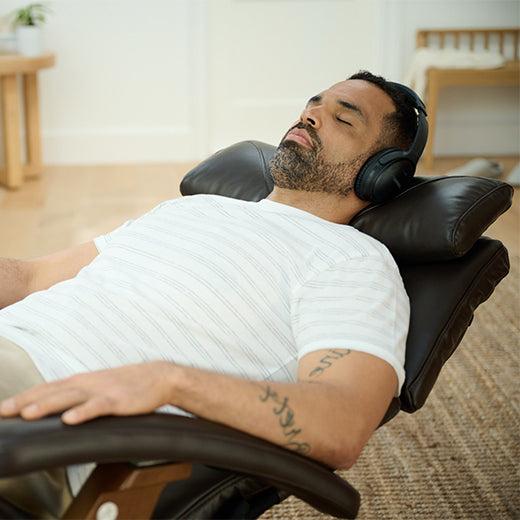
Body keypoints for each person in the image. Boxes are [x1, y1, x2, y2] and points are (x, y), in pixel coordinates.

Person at [0, 71, 415, 518]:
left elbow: (342, 423)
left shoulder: (352, 261)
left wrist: (168, 380)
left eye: (343, 119)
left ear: (383, 171)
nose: (311, 115)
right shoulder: (195, 207)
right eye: (314, 104)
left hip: (50, 406)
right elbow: (30, 278)